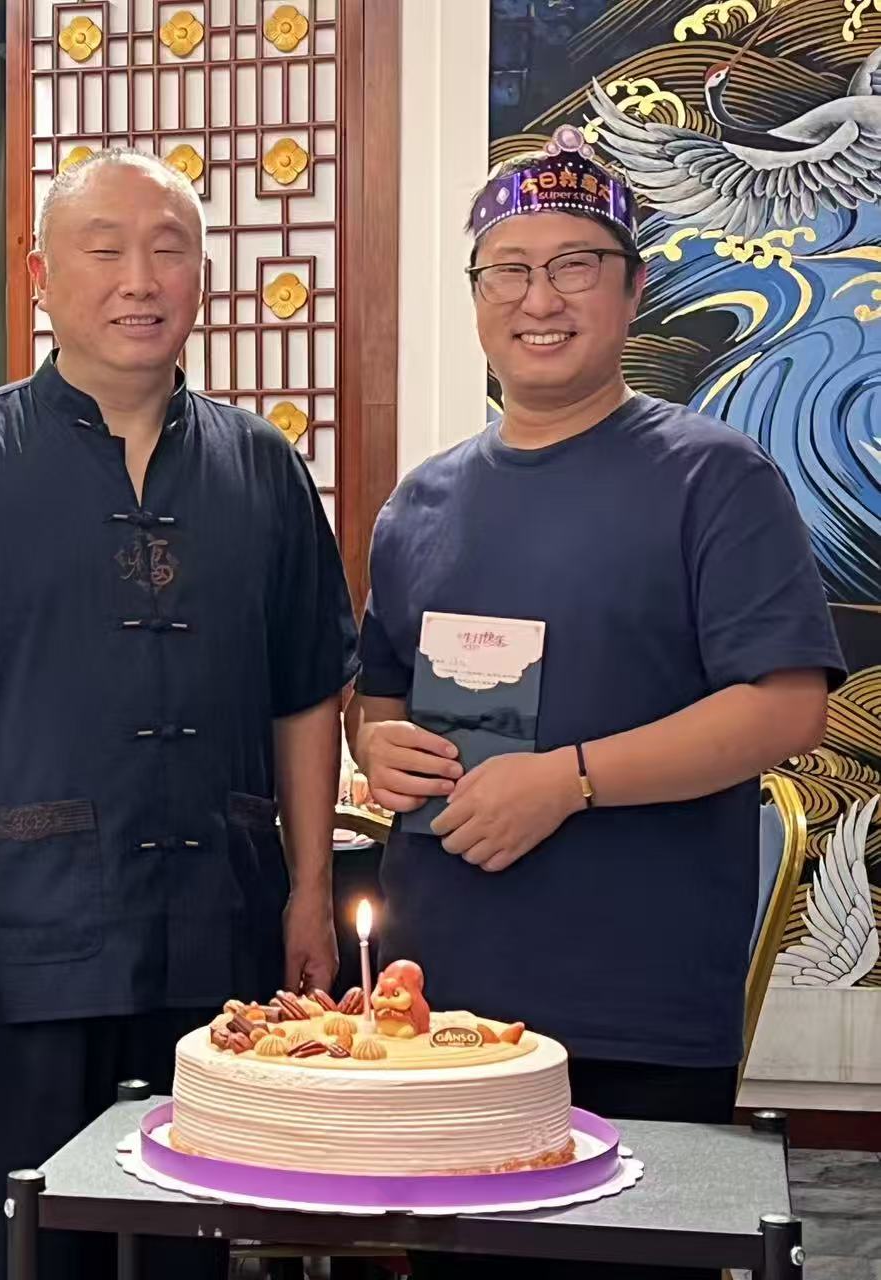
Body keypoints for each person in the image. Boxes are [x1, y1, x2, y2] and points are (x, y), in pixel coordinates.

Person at [0, 148, 360, 1279]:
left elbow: (307, 692)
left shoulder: (262, 466)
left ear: (202, 276)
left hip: (215, 934)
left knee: (189, 1243)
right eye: (103, 249)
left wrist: (309, 889)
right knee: (24, 1248)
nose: (138, 279)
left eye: (168, 250)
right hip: (21, 938)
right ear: (40, 275)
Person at [348, 130, 844, 1280]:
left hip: (632, 1001)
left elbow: (785, 708)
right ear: (477, 294)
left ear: (632, 287)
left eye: (575, 264)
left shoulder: (714, 477)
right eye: (509, 269)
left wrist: (568, 781)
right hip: (444, 1004)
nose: (540, 298)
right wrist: (379, 743)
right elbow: (378, 698)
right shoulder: (421, 502)